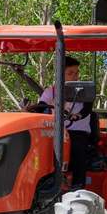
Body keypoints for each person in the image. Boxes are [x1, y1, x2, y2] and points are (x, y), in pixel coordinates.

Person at [40, 56, 98, 188]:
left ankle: (78, 185)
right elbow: (42, 106)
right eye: (70, 73)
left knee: (77, 148)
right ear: (60, 74)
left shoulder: (84, 92)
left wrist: (76, 116)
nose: (75, 76)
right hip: (56, 131)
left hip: (77, 131)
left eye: (76, 72)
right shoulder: (51, 91)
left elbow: (86, 110)